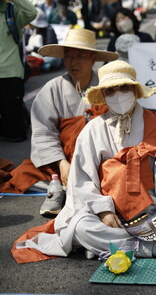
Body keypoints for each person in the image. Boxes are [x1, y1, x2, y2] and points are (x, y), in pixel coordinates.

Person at [12, 60, 156, 263]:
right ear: (104, 96)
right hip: (104, 213)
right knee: (81, 226)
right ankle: (148, 248)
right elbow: (81, 179)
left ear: (134, 90)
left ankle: (106, 246)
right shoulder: (93, 128)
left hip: (149, 210)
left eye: (123, 88)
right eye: (110, 91)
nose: (118, 95)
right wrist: (103, 210)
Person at [0, 28, 118, 213]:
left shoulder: (107, 88)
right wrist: (62, 163)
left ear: (92, 59)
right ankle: (59, 183)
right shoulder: (52, 89)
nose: (73, 62)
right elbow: (43, 131)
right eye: (69, 56)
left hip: (98, 156)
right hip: (59, 158)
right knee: (23, 176)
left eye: (80, 56)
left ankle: (61, 186)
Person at [0, 0, 37, 142]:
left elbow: (32, 12)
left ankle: (20, 125)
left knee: (14, 125)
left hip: (10, 72)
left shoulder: (11, 12)